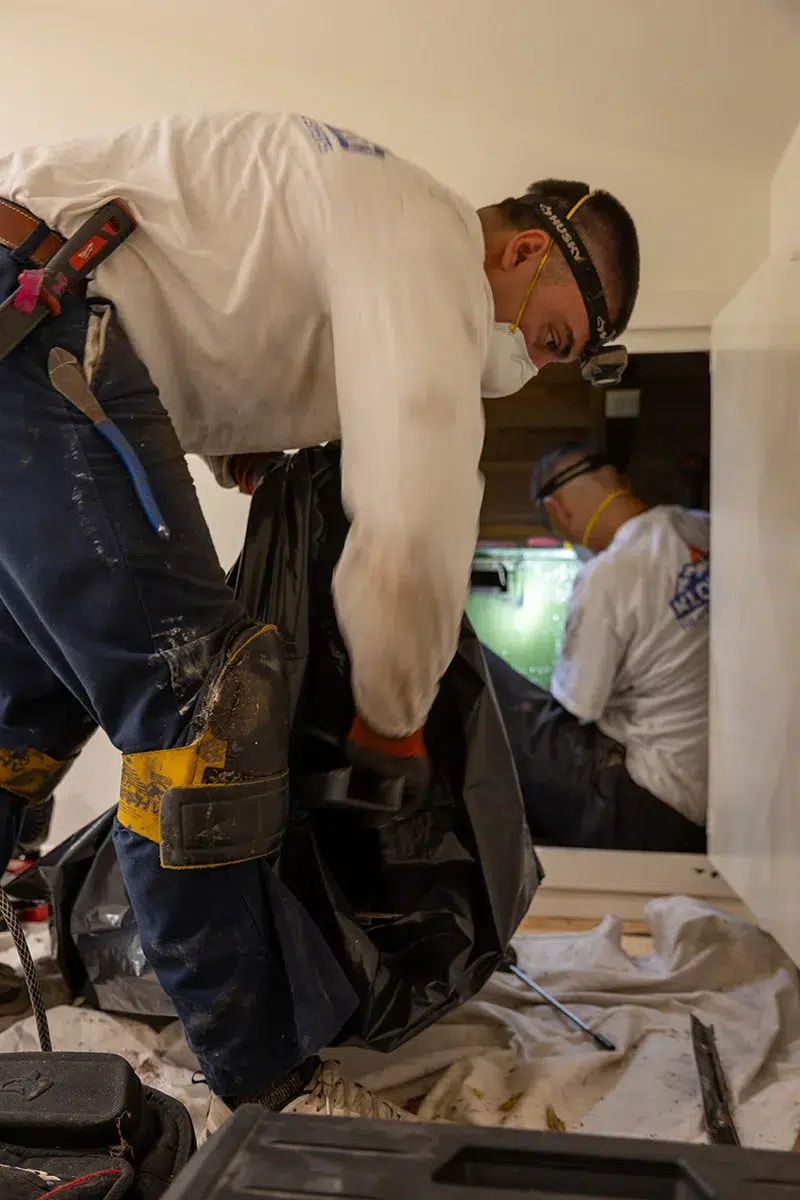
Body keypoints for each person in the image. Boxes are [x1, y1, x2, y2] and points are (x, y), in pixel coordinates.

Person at [0, 113, 639, 1127]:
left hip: (27, 321)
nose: (534, 364)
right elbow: (416, 492)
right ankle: (267, 1081)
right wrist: (392, 710)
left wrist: (233, 446)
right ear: (523, 249)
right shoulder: (425, 228)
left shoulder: (351, 191)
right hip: (42, 322)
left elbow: (193, 301)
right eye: (552, 336)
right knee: (208, 706)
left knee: (21, 721)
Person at [485, 443, 709, 854]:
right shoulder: (705, 530)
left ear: (558, 511)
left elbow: (575, 710)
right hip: (715, 807)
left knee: (478, 669)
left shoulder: (608, 574)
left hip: (646, 809)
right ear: (621, 484)